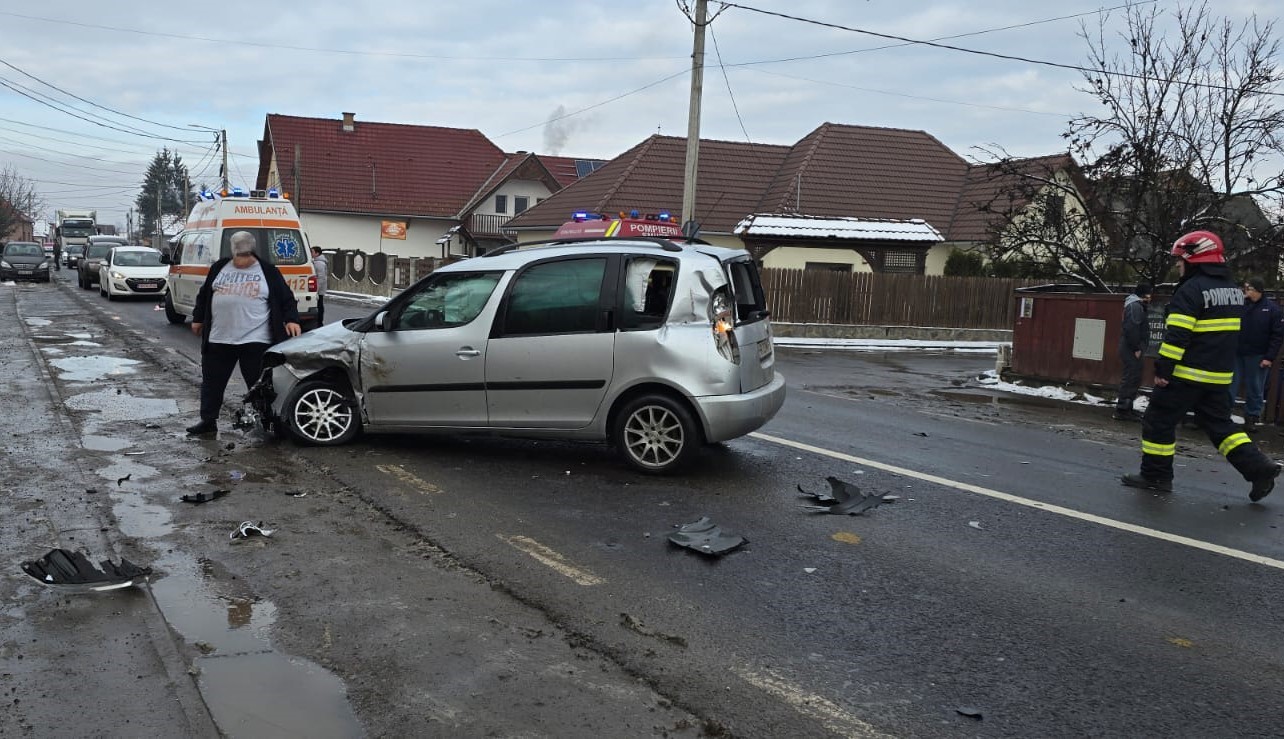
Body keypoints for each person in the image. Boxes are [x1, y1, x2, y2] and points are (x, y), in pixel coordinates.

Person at [1121, 230, 1281, 502]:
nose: (1178, 265)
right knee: (1220, 426)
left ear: (1196, 258)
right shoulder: (1232, 290)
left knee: (1158, 419)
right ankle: (1259, 469)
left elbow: (1178, 335)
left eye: (1181, 260)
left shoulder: (1192, 289)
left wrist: (1164, 369)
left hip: (1186, 374)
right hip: (1219, 376)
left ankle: (1156, 476)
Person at [185, 231, 302, 435]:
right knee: (212, 384)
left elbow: (286, 298)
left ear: (252, 250)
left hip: (256, 340)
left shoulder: (268, 271)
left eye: (245, 255)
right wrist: (197, 318)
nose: (241, 260)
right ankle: (208, 421)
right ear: (232, 251)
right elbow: (204, 295)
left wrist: (291, 319)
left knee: (259, 387)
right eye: (239, 255)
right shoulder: (219, 268)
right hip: (218, 339)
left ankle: (269, 423)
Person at [1228, 276, 1283, 429]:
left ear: (1258, 290)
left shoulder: (1272, 309)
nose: (1246, 291)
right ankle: (1225, 413)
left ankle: (1252, 417)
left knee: (1255, 387)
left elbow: (1277, 336)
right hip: (1237, 352)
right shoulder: (1240, 305)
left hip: (1258, 354)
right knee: (1230, 383)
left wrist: (1269, 357)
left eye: (1249, 288)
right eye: (1245, 288)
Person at [1113, 282, 1152, 421]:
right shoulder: (1135, 307)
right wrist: (1136, 348)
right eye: (1149, 293)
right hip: (1131, 348)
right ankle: (1123, 410)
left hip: (1132, 347)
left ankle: (1127, 408)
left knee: (1134, 377)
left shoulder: (1136, 305)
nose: (1150, 297)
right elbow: (1132, 328)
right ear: (1143, 294)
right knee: (1131, 377)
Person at [311, 245, 328, 327]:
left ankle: (319, 322)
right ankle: (318, 322)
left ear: (317, 253)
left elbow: (320, 278)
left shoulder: (319, 263)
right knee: (319, 305)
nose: (311, 253)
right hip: (319, 289)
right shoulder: (317, 262)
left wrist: (316, 290)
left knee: (319, 305)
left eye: (312, 252)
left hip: (319, 289)